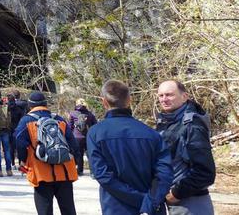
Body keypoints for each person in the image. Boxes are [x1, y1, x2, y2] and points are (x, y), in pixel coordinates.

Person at [88, 80, 173, 215]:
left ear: (104, 102)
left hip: (115, 207)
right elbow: (165, 174)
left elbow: (102, 175)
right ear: (129, 100)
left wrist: (141, 200)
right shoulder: (152, 134)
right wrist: (148, 202)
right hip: (150, 209)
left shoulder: (95, 133)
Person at [156, 80, 216, 214]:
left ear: (184, 97)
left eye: (169, 95)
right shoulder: (167, 123)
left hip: (191, 204)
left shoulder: (192, 126)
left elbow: (205, 172)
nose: (164, 99)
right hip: (176, 204)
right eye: (161, 95)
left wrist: (176, 193)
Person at [15, 91, 79, 215]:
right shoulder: (59, 119)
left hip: (41, 174)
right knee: (68, 210)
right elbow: (73, 144)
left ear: (30, 105)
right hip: (65, 172)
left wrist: (23, 160)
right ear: (46, 104)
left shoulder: (26, 121)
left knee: (44, 211)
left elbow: (19, 141)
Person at [68, 98, 98, 175]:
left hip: (76, 137)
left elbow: (70, 126)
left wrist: (70, 136)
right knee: (89, 154)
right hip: (88, 137)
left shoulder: (72, 114)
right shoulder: (90, 114)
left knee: (79, 154)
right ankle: (93, 172)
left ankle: (79, 171)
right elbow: (95, 125)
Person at [7, 94, 25, 169]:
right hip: (17, 129)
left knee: (11, 147)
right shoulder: (19, 109)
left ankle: (12, 163)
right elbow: (22, 119)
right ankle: (20, 162)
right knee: (18, 147)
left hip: (9, 130)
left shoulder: (6, 108)